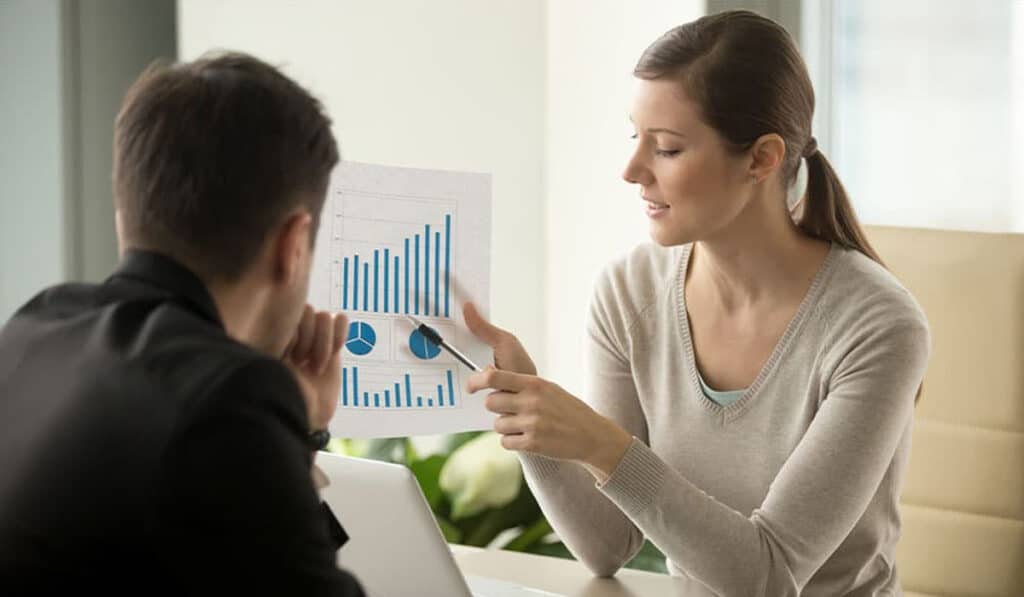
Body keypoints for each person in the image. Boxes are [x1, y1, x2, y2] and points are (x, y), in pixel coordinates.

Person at [462, 10, 930, 597]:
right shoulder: (628, 292)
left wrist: (604, 446)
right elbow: (607, 547)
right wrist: (527, 409)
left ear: (761, 159)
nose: (631, 171)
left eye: (668, 149)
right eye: (636, 137)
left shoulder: (877, 325)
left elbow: (770, 577)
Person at [0, 53, 364, 596]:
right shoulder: (227, 396)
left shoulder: (37, 326)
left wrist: (300, 426)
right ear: (293, 245)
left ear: (127, 214)